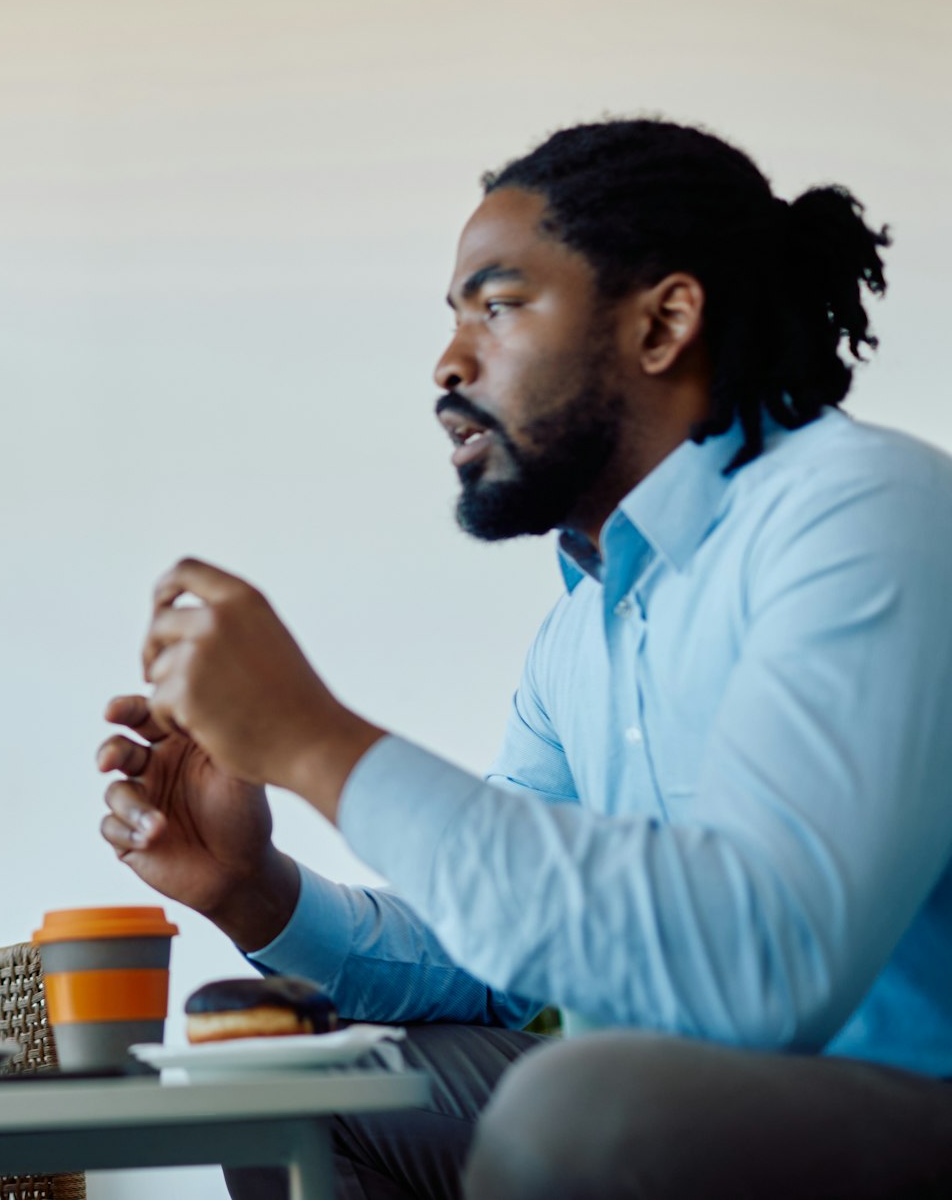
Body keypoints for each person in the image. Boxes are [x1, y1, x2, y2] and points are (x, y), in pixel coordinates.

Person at [99, 120, 952, 1199]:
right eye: (453, 317)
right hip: (658, 1097)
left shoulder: (860, 516)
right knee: (281, 1087)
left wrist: (319, 743)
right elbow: (501, 956)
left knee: (582, 1105)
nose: (448, 362)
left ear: (662, 324)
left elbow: (762, 964)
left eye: (496, 306)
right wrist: (253, 889)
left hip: (899, 1101)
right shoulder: (583, 622)